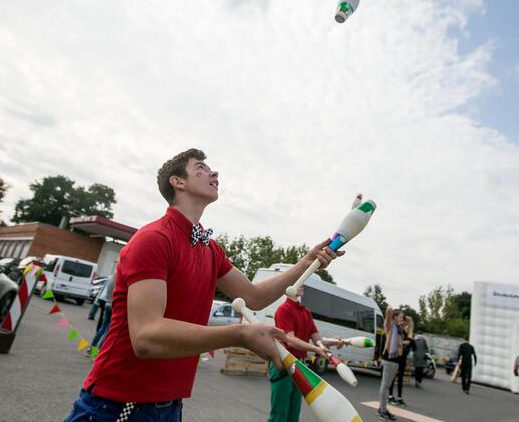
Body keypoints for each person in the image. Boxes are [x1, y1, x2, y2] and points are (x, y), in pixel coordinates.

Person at [64, 148, 342, 422]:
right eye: (202, 168)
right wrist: (239, 334)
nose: (214, 172)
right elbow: (146, 337)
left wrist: (306, 262)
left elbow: (254, 297)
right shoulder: (154, 239)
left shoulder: (210, 249)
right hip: (116, 405)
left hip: (169, 407)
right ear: (178, 182)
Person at [269, 285, 337, 422]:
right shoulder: (283, 310)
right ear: (288, 288)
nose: (301, 285)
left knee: (294, 415)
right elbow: (291, 340)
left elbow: (317, 339)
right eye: (297, 282)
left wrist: (336, 341)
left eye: (302, 283)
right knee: (279, 415)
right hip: (283, 364)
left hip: (299, 367)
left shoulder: (306, 312)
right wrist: (317, 349)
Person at [377, 308, 404, 420]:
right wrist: (389, 312)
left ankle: (383, 408)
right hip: (389, 359)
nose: (402, 318)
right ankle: (382, 410)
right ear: (394, 316)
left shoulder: (398, 328)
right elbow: (387, 318)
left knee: (387, 386)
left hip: (395, 360)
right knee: (385, 385)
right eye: (400, 316)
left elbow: (408, 322)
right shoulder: (390, 326)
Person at [388, 316, 414, 406]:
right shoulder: (399, 331)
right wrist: (403, 342)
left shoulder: (409, 336)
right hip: (396, 358)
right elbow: (394, 342)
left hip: (403, 359)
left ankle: (399, 398)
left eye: (410, 326)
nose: (408, 327)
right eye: (407, 325)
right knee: (393, 377)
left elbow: (413, 347)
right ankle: (390, 396)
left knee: (400, 378)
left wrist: (410, 339)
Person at [88, 275, 116, 354]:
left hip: (107, 303)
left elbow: (106, 291)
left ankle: (91, 348)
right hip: (113, 305)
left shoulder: (111, 277)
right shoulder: (121, 278)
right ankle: (98, 352)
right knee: (107, 330)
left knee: (102, 328)